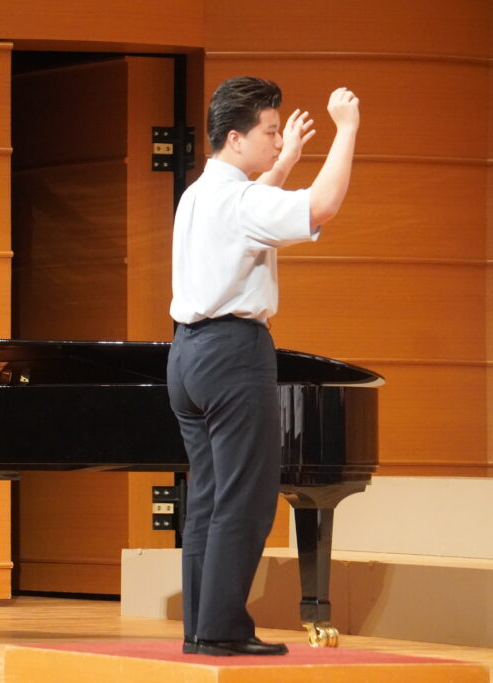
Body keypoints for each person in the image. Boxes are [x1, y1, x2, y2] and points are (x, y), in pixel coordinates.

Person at [167, 77, 360, 656]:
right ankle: (224, 629)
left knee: (209, 496)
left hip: (187, 356)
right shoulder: (238, 200)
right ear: (236, 137)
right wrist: (347, 128)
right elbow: (321, 205)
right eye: (270, 132)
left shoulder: (200, 193)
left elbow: (252, 213)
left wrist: (287, 161)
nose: (278, 141)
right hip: (232, 352)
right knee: (246, 498)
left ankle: (202, 628)